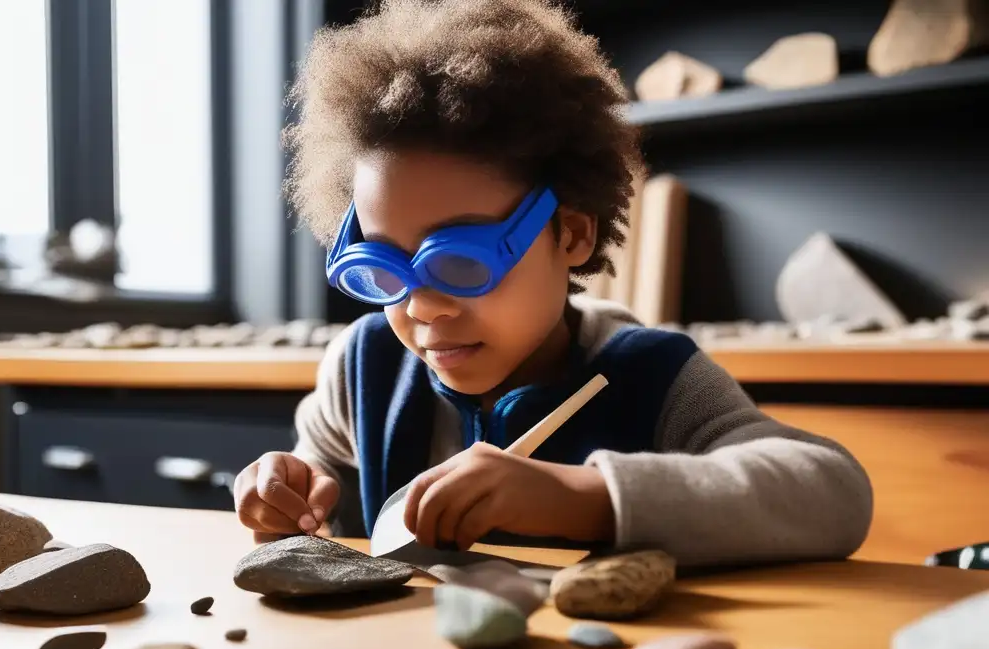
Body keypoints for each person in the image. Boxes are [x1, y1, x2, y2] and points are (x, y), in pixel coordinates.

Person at [234, 0, 873, 567]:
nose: (422, 307)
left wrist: (588, 497)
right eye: (381, 269)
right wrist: (289, 492)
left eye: (460, 263)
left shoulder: (651, 376)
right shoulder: (363, 369)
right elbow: (322, 482)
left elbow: (833, 491)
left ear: (570, 234)